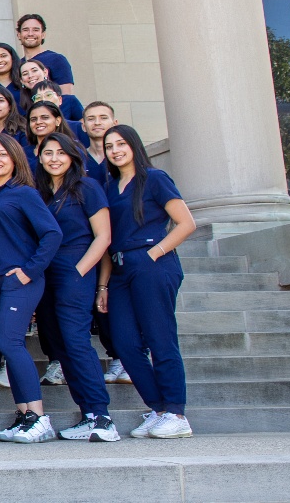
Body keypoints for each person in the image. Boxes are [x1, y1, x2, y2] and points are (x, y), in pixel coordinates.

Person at [101, 125, 197, 439]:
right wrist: (103, 285)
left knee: (160, 339)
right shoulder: (109, 187)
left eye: (121, 144)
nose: (115, 150)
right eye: (109, 146)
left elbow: (186, 223)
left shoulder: (154, 179)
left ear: (134, 146)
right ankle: (158, 409)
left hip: (151, 264)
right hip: (118, 269)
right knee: (125, 344)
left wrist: (153, 253)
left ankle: (176, 412)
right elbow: (106, 239)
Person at [32, 133, 121, 442]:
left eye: (60, 152)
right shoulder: (40, 193)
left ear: (72, 156)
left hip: (74, 271)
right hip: (45, 276)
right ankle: (86, 414)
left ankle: (102, 416)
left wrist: (82, 271)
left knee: (77, 342)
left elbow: (104, 237)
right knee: (60, 346)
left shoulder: (87, 188)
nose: (54, 158)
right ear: (39, 157)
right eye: (47, 153)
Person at [0, 136, 62, 443]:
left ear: (14, 158)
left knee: (11, 343)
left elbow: (52, 234)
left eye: (1, 154)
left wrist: (28, 271)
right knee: (5, 344)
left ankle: (39, 417)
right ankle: (24, 415)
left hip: (20, 280)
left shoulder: (24, 193)